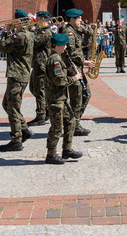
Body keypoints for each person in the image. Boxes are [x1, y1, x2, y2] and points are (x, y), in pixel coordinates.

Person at [0, 9, 35, 151]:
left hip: (17, 74)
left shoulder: (19, 36)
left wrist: (4, 34)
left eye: (14, 19)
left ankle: (16, 139)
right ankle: (24, 129)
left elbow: (4, 48)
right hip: (20, 74)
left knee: (12, 106)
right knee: (7, 104)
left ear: (19, 21)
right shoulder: (29, 34)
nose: (12, 22)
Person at [44, 33, 83, 165]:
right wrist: (75, 78)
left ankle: (67, 149)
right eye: (64, 44)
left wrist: (69, 70)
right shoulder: (54, 60)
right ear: (59, 45)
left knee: (71, 121)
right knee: (56, 128)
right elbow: (59, 81)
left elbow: (61, 75)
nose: (66, 47)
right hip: (55, 99)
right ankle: (51, 154)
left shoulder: (58, 58)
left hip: (61, 98)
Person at [63, 9, 94, 135]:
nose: (81, 20)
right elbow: (71, 52)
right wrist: (84, 62)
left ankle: (74, 123)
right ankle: (72, 126)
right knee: (76, 99)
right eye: (79, 18)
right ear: (71, 19)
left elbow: (79, 48)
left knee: (86, 95)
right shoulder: (68, 33)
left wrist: (88, 47)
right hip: (73, 69)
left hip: (78, 68)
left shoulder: (75, 31)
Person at [28, 11, 53, 127]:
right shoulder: (40, 31)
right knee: (33, 88)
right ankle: (46, 110)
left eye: (38, 19)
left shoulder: (46, 32)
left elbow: (34, 42)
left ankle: (41, 116)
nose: (36, 21)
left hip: (42, 64)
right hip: (37, 64)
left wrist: (28, 33)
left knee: (40, 90)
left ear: (43, 19)